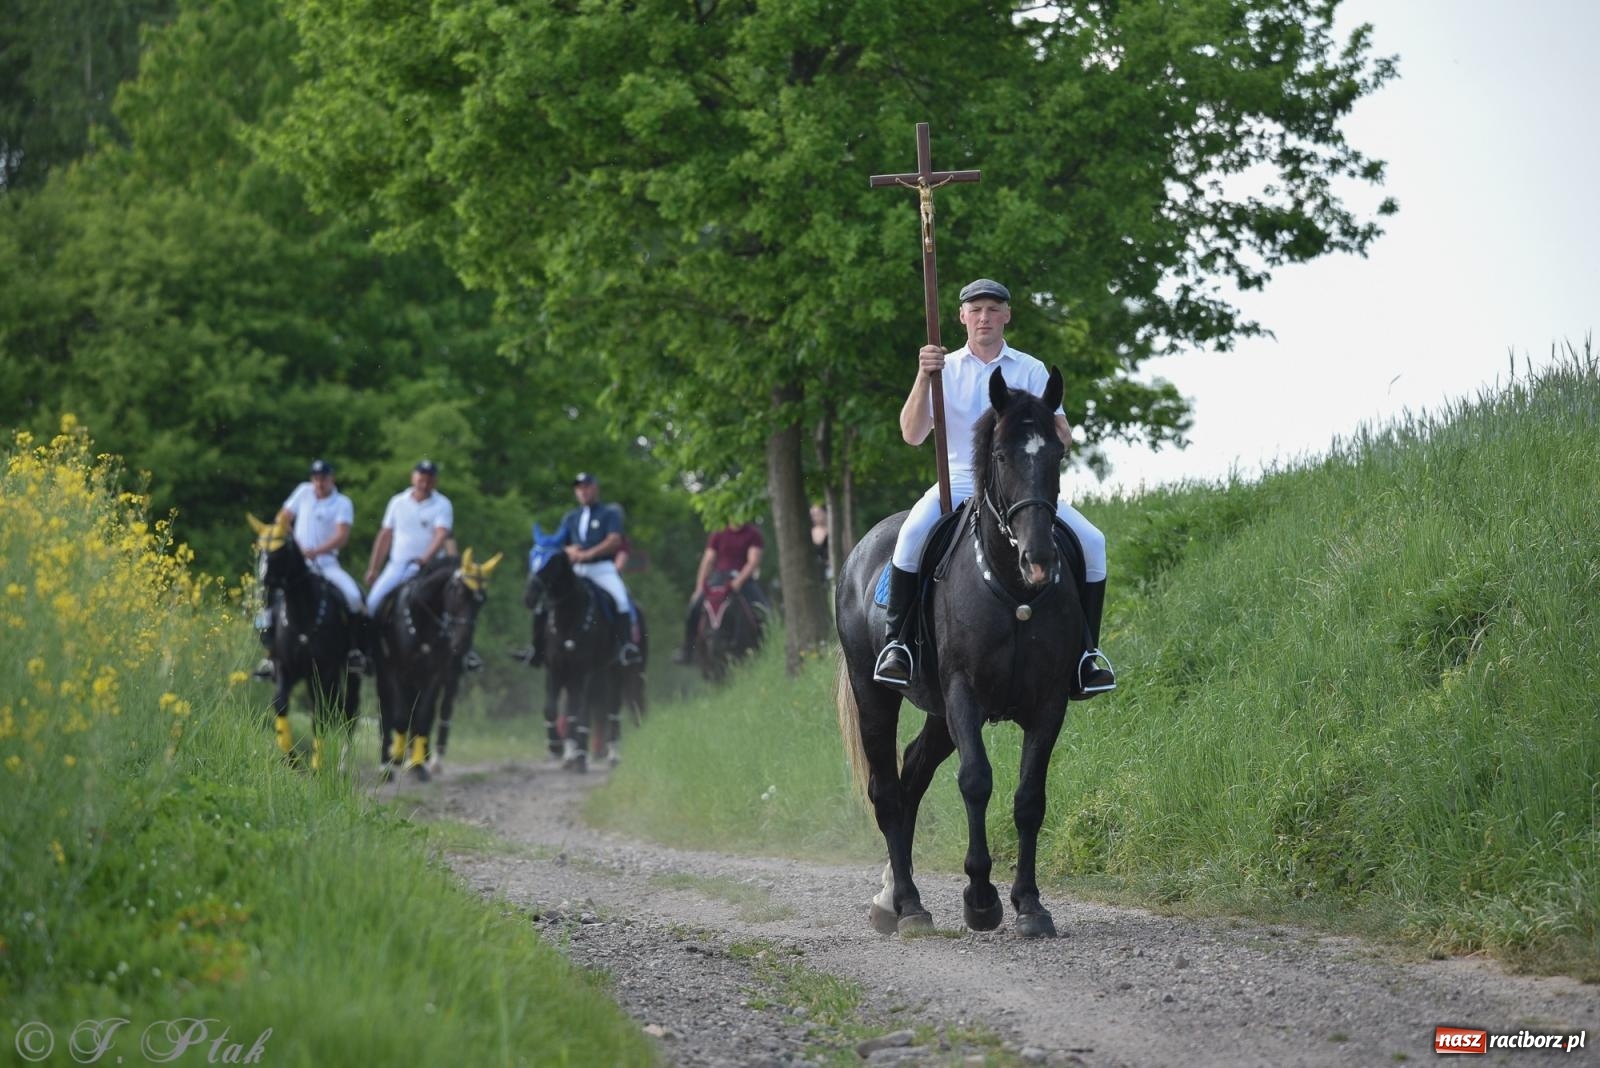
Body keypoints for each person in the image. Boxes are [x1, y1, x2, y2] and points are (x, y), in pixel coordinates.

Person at [874, 278, 1116, 696]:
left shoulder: (1031, 368)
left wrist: (1053, 430)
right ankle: (899, 646)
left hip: (1021, 483)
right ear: (962, 317)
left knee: (1093, 542)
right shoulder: (942, 368)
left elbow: (1062, 435)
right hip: (959, 480)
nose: (984, 317)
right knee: (910, 537)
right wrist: (922, 375)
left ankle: (1086, 655)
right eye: (976, 310)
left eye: (993, 309)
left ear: (1006, 315)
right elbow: (912, 435)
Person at [252, 458, 367, 679]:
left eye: (323, 478)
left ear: (331, 478)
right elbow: (283, 517)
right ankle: (269, 653)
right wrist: (289, 539)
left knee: (353, 597)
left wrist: (317, 550)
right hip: (298, 565)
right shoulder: (303, 492)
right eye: (315, 478)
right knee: (267, 600)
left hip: (326, 563)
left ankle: (354, 650)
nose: (319, 482)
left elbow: (342, 536)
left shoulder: (342, 502)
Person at [532, 472, 641, 667]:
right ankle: (537, 648)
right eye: (579, 487)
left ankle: (625, 647)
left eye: (587, 486)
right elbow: (558, 543)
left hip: (602, 568)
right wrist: (568, 550)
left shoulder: (609, 514)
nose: (583, 491)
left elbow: (614, 540)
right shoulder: (570, 517)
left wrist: (589, 553)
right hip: (576, 570)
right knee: (546, 602)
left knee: (621, 600)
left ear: (595, 488)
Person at [364, 459, 454, 618]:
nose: (425, 485)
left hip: (430, 568)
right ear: (413, 478)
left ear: (435, 482)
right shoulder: (397, 502)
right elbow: (385, 535)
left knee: (446, 608)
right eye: (421, 480)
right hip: (399, 565)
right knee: (372, 603)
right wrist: (374, 568)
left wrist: (425, 558)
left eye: (429, 481)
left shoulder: (442, 504)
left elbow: (441, 534)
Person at [672, 520, 772, 664]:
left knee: (764, 611)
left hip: (743, 581)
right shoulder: (718, 532)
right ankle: (687, 650)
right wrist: (699, 587)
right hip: (719, 579)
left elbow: (753, 561)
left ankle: (765, 650)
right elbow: (708, 560)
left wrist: (739, 581)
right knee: (694, 608)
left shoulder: (753, 534)